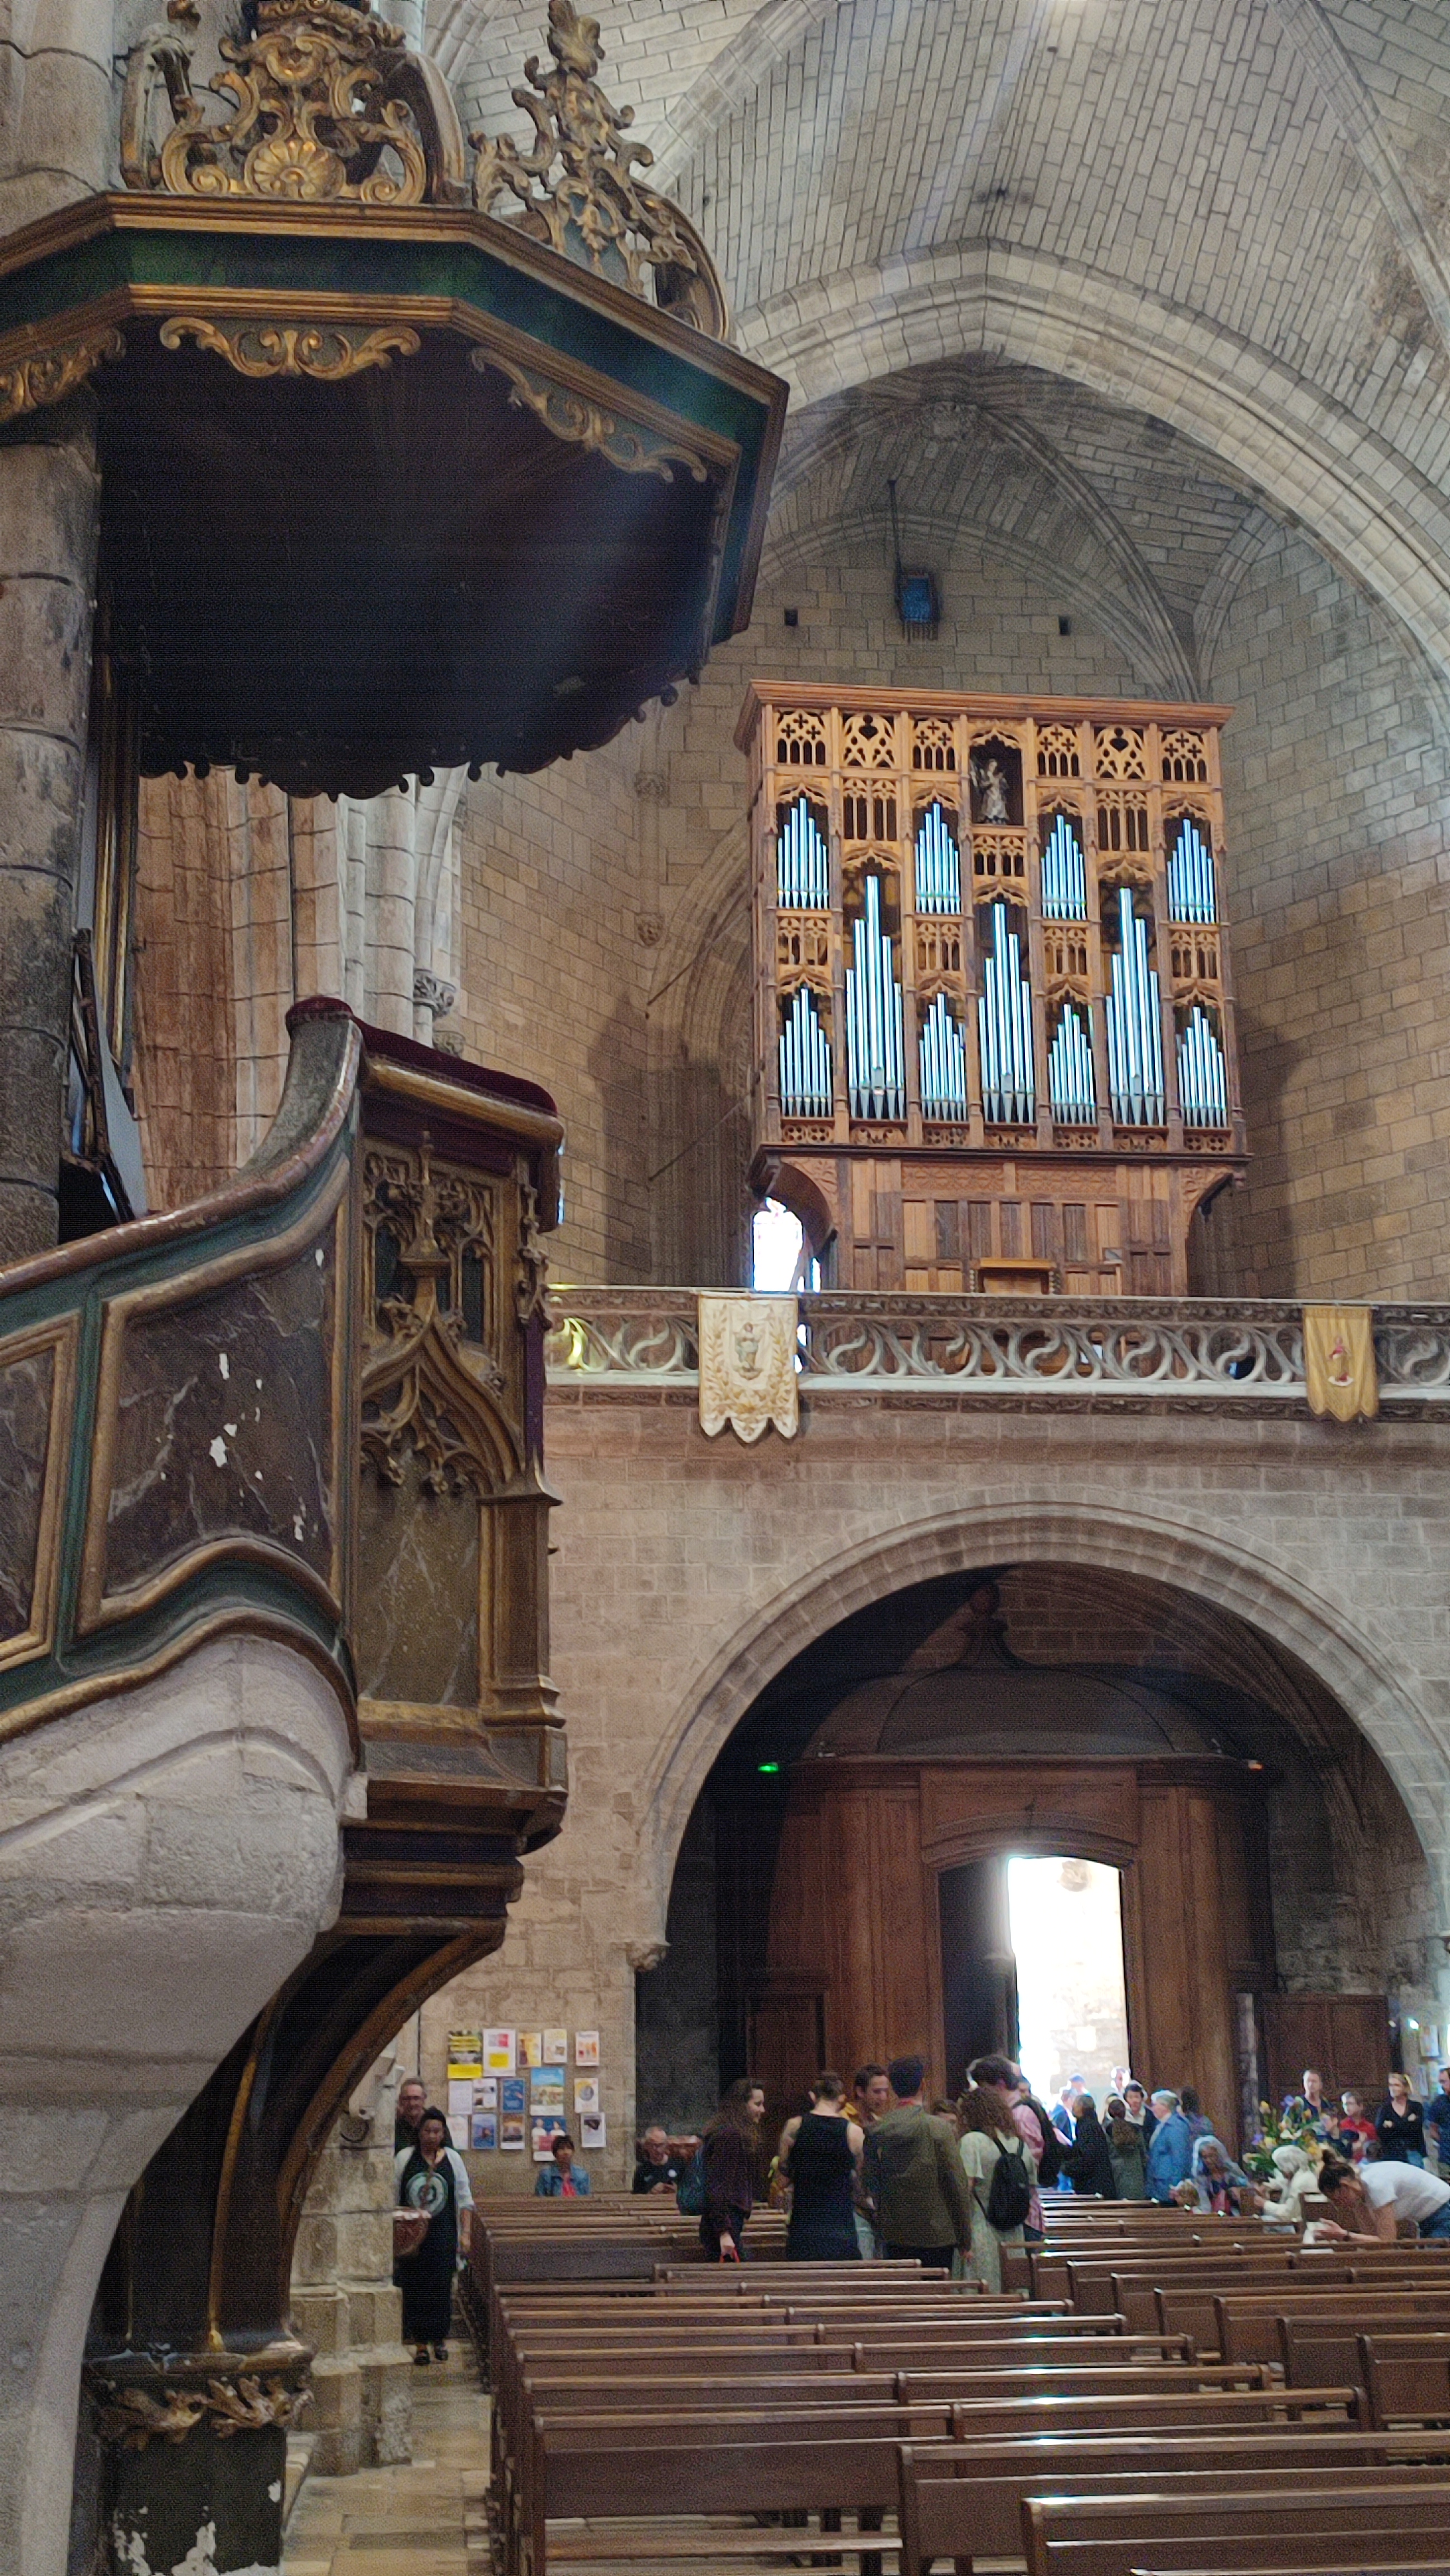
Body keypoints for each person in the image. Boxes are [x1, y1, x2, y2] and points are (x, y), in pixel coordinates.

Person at [863, 2054, 973, 2267]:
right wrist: (964, 2238)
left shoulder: (876, 2130)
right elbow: (956, 2184)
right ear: (923, 2084)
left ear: (893, 2088)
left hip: (895, 2233)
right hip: (937, 2235)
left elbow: (871, 2183)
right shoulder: (938, 2128)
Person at [393, 2106, 473, 2365]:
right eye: (427, 2130)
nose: (432, 2136)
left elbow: (464, 2198)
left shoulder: (453, 2159)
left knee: (440, 2288)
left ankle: (439, 2339)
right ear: (420, 2132)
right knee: (416, 2288)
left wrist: (466, 2233)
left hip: (443, 2234)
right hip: (413, 2238)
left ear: (443, 2133)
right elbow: (392, 2195)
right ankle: (420, 2344)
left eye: (437, 2131)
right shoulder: (405, 2158)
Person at [957, 2063, 1031, 2290]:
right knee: (1013, 2293)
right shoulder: (1020, 2145)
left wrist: (961, 2238)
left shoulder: (973, 2142)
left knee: (984, 2294)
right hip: (1014, 2232)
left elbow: (965, 2191)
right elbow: (1031, 2188)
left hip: (982, 2228)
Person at [778, 2071, 863, 2260]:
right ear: (841, 2099)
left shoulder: (794, 2126)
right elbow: (860, 2179)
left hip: (804, 2228)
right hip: (841, 2228)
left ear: (813, 2096)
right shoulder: (854, 2132)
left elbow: (782, 2177)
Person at [1317, 2149, 1450, 2241]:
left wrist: (1344, 2235)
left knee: (1433, 2263)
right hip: (1428, 2220)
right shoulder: (1360, 2191)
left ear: (1345, 2187)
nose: (1339, 2206)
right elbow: (1370, 2236)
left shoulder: (1376, 2185)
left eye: (1337, 2200)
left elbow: (1387, 2241)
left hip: (1444, 2211)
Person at [699, 2078, 764, 2261]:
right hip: (723, 2222)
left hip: (727, 2220)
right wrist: (724, 2232)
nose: (762, 2110)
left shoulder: (731, 2134)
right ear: (741, 2105)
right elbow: (717, 2188)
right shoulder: (729, 2137)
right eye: (757, 2104)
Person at [1008, 2069, 1050, 2239]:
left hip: (1026, 2205)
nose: (1025, 2095)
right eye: (1022, 2091)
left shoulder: (1023, 2114)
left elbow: (1034, 2158)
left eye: (1027, 2091)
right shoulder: (1024, 2112)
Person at [1144, 2089, 1196, 2203]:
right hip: (1158, 2184)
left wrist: (1176, 2186)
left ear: (1165, 2106)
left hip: (1168, 2185)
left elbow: (1180, 2158)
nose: (1152, 2109)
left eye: (1155, 2105)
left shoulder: (1176, 2126)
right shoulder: (1161, 2124)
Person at [1062, 2092, 1116, 2197]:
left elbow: (1088, 2158)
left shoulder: (1088, 2127)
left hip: (1093, 2186)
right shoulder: (1090, 2125)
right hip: (1095, 2183)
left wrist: (1068, 2168)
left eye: (1075, 2104)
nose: (1073, 2107)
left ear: (1082, 2107)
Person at [1187, 2133, 1252, 2215]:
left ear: (1218, 2155)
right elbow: (1204, 2202)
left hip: (1235, 2212)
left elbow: (1248, 2187)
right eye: (1205, 2157)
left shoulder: (1231, 2170)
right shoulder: (1202, 2177)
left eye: (1211, 2156)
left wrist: (1237, 2190)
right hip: (1214, 2214)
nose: (1208, 2160)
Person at [1375, 2071, 1427, 2165]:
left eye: (1396, 2085)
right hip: (1392, 2154)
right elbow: (1380, 2132)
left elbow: (1416, 2130)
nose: (1392, 2088)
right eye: (1390, 2085)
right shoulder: (1385, 2109)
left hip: (1414, 2153)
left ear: (1405, 2087)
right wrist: (1407, 2122)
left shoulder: (1416, 2107)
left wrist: (1393, 2126)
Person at [1105, 2095, 1148, 2199]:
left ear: (1110, 2112)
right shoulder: (1136, 2129)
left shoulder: (1106, 2131)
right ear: (1124, 2112)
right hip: (1136, 2174)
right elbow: (1144, 2156)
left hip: (1116, 2176)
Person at [535, 2131, 591, 2196]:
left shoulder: (582, 2174)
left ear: (573, 2152)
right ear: (555, 2153)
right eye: (561, 2149)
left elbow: (587, 2198)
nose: (566, 2152)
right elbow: (539, 2199)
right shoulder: (546, 2175)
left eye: (569, 2148)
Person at [632, 2126, 684, 2192]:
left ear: (666, 2145)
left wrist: (676, 2190)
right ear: (647, 2146)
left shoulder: (679, 2166)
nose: (657, 2150)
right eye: (653, 2145)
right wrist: (651, 2193)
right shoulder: (642, 2170)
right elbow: (637, 2195)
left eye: (660, 2145)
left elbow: (689, 2190)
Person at [1335, 2090, 1376, 2155]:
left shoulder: (1370, 2127)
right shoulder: (1342, 2126)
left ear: (1360, 2106)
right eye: (1345, 2104)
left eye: (1350, 2104)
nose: (1347, 2107)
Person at [394, 2076, 426, 2154]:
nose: (412, 2103)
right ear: (400, 2100)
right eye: (407, 2099)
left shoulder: (435, 2124)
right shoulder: (395, 2126)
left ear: (424, 2099)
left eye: (416, 2098)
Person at [1426, 2068, 1450, 2176]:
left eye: (1444, 2082)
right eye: (1440, 2082)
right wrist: (1445, 2141)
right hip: (1446, 2159)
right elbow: (1433, 2130)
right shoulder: (1439, 2102)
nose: (1442, 2086)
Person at [1122, 2080, 1156, 2145]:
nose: (1134, 2101)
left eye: (1137, 2097)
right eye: (1130, 2097)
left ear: (1142, 2098)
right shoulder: (1122, 2115)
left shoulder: (1150, 2116)